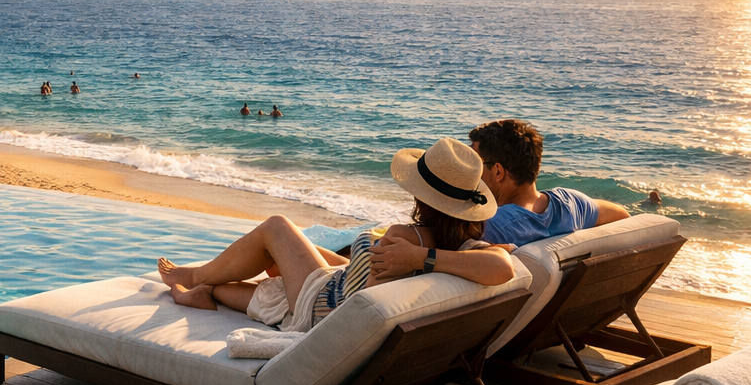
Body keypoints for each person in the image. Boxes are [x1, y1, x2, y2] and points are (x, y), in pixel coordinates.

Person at [156, 138, 512, 331]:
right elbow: (504, 266)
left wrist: (420, 256)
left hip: (325, 310)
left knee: (277, 226)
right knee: (277, 272)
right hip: (338, 288)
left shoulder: (408, 238)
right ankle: (205, 291)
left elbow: (360, 307)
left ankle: (195, 275)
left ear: (423, 196)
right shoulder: (462, 245)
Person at [468, 119, 629, 247]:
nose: (469, 168)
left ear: (498, 172)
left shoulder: (491, 227)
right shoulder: (571, 204)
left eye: (475, 162)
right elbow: (623, 216)